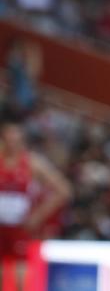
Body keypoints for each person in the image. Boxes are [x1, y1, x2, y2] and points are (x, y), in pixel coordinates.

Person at [0, 118, 71, 291]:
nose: (12, 145)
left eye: (16, 141)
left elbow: (64, 190)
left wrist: (38, 216)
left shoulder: (32, 162)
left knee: (20, 278)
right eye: (8, 140)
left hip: (19, 227)